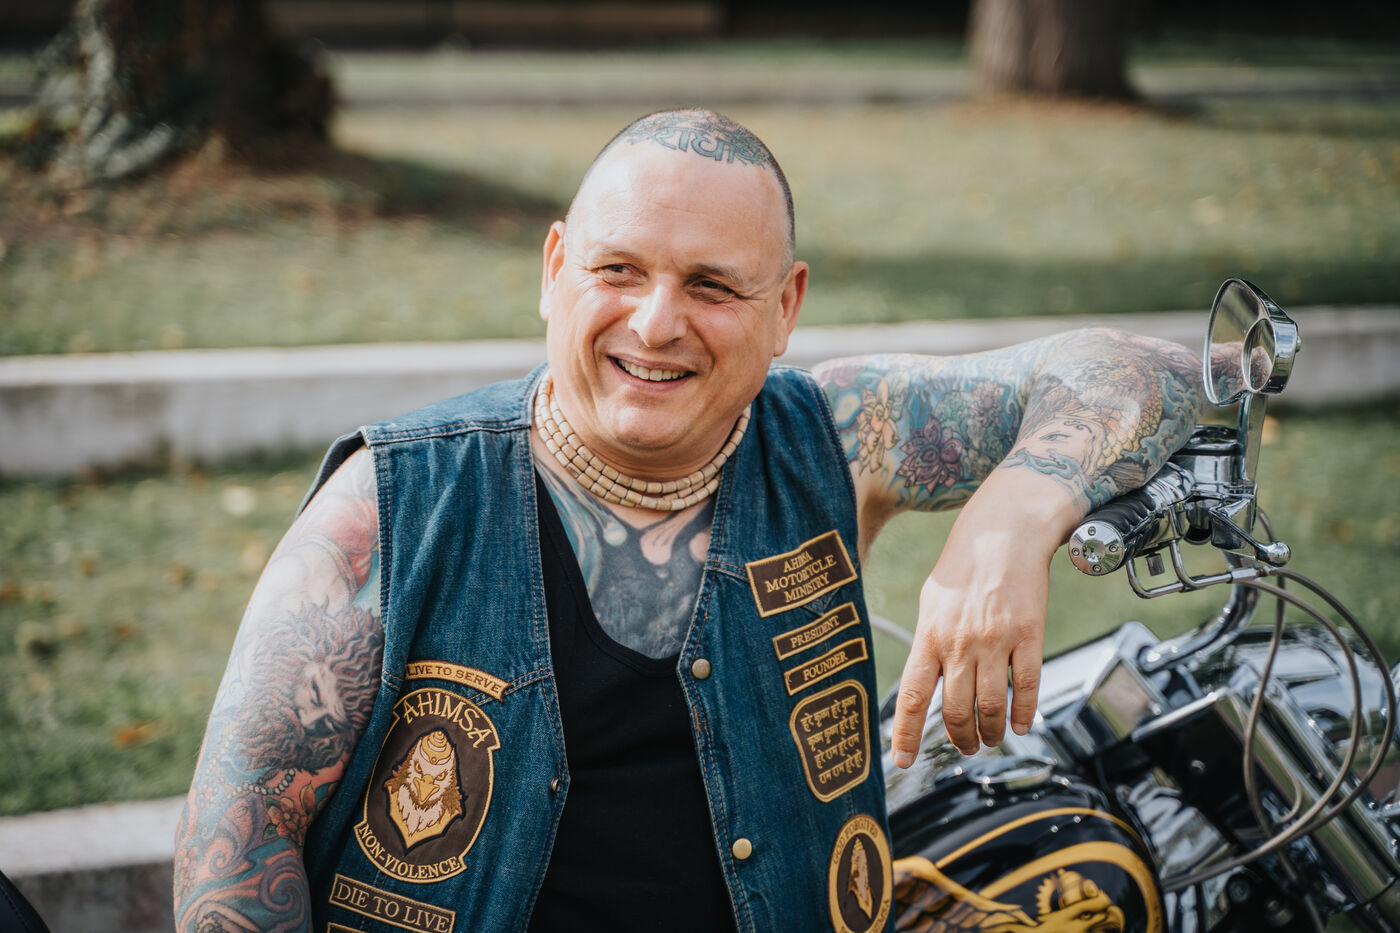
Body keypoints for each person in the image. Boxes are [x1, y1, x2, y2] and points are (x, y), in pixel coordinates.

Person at [173, 109, 1201, 933]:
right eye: (617, 270)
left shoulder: (840, 438)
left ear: (785, 307)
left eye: (710, 285)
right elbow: (237, 846)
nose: (655, 322)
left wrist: (1009, 521)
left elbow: (1145, 370)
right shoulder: (392, 505)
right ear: (553, 270)